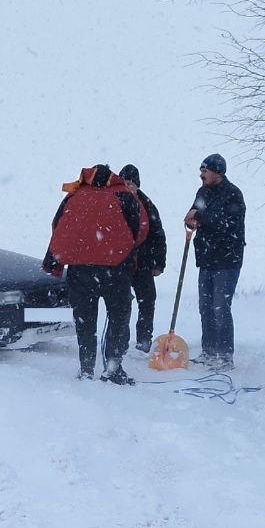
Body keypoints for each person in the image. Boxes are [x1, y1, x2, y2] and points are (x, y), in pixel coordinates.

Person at [43, 164, 148, 385]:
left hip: (80, 271)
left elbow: (58, 226)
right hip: (114, 270)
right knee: (118, 318)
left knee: (85, 321)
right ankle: (113, 367)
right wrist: (123, 252)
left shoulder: (75, 196)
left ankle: (87, 369)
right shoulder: (123, 195)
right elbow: (141, 229)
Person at [184, 153, 245, 371]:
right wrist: (191, 221)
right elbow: (196, 214)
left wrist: (200, 217)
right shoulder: (202, 192)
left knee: (220, 308)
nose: (201, 174)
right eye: (201, 170)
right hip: (207, 259)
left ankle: (225, 355)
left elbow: (224, 223)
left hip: (227, 260)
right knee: (206, 308)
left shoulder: (233, 194)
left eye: (205, 170)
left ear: (217, 172)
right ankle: (209, 351)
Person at [119, 164, 167, 353]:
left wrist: (159, 263)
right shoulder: (114, 202)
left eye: (130, 183)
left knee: (147, 301)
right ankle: (121, 341)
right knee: (121, 304)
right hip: (121, 264)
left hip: (143, 263)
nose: (127, 186)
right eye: (124, 183)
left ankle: (144, 339)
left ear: (137, 185)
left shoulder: (147, 205)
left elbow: (158, 235)